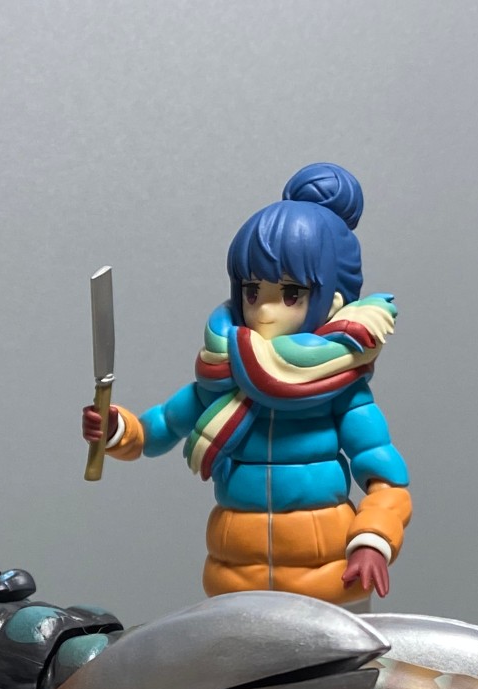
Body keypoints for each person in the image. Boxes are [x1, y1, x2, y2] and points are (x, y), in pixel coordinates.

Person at [84, 163, 410, 605]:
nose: (264, 310)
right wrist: (116, 429)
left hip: (329, 582)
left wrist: (372, 540)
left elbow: (386, 481)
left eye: (291, 294)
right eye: (253, 291)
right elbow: (157, 429)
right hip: (234, 580)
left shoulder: (343, 392)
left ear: (333, 299)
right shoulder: (223, 375)